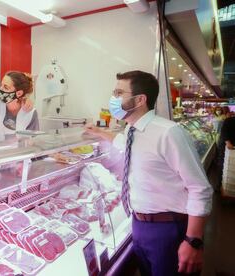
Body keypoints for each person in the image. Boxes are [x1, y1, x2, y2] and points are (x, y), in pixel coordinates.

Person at [85, 70, 213, 276]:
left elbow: (200, 188)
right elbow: (127, 146)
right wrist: (99, 132)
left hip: (168, 228)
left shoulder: (168, 132)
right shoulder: (131, 131)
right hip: (139, 225)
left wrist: (193, 241)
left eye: (119, 93)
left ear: (140, 100)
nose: (113, 99)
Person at [0, 71, 39, 138]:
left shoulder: (31, 113)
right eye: (1, 85)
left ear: (19, 93)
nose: (1, 89)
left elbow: (34, 139)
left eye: (6, 87)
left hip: (22, 148)